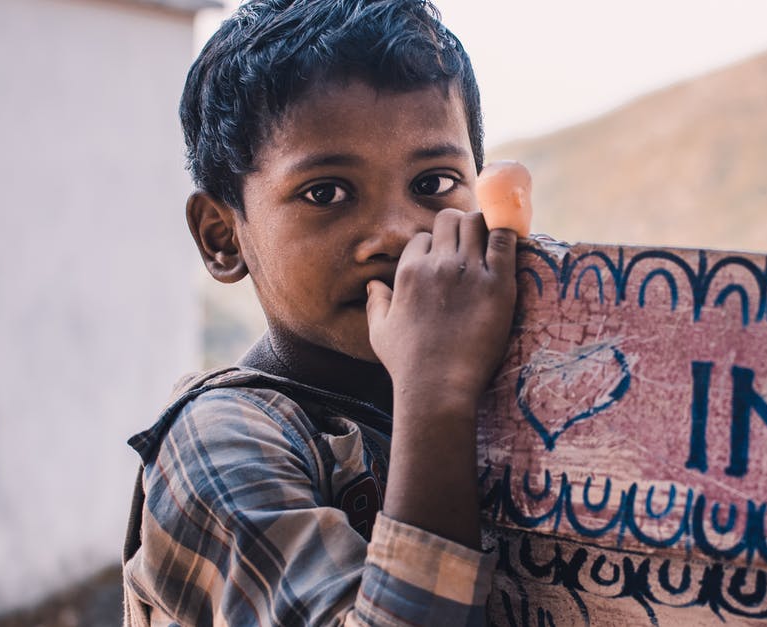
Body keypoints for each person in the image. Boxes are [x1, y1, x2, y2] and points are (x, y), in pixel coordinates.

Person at [120, 1, 518, 624]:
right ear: (223, 236)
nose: (395, 233)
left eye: (435, 184)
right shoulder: (219, 445)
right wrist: (434, 391)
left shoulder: (510, 382)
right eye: (326, 193)